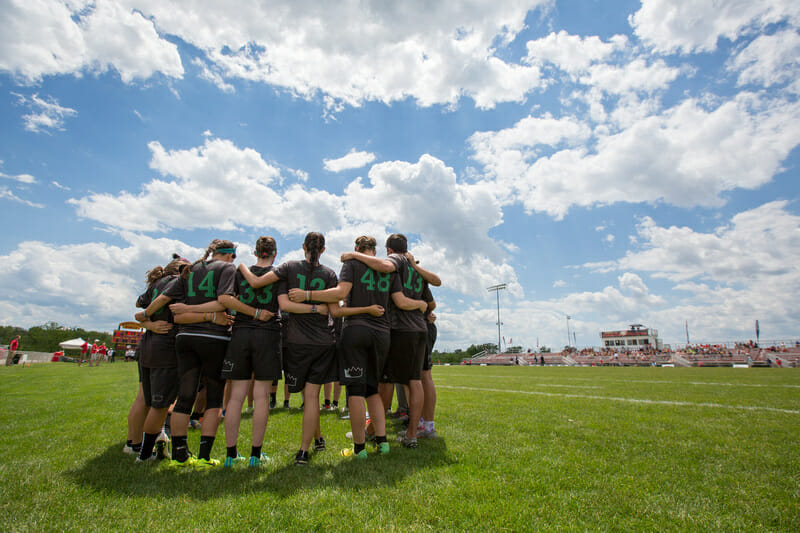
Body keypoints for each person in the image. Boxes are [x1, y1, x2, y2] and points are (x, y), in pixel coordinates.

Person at [290, 235, 429, 458]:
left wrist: (307, 295)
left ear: (356, 248)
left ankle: (359, 448)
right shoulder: (389, 270)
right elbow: (400, 300)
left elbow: (341, 293)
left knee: (355, 391)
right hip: (383, 334)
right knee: (373, 389)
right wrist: (423, 305)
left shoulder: (352, 263)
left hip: (356, 331)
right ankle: (383, 444)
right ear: (376, 251)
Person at [238, 232, 338, 466]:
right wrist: (315, 308)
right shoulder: (330, 274)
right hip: (322, 340)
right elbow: (331, 308)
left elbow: (282, 304)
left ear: (303, 246)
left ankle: (306, 449)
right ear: (323, 250)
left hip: (294, 340)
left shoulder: (289, 268)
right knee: (311, 396)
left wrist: (242, 265)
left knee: (308, 395)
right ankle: (314, 442)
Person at [138, 239, 237, 469]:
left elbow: (169, 304)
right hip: (215, 337)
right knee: (213, 398)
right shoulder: (227, 268)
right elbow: (223, 302)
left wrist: (145, 315)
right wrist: (212, 314)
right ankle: (203, 456)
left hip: (185, 337)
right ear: (230, 255)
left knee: (184, 397)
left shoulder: (190, 269)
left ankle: (180, 455)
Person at [339, 233, 440, 448]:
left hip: (398, 328)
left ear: (388, 250)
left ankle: (373, 430)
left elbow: (391, 281)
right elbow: (432, 296)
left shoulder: (395, 261)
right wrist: (422, 308)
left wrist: (353, 255)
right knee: (419, 379)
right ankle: (419, 429)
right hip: (421, 329)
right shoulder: (415, 267)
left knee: (385, 383)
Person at [213, 236, 282, 468]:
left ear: (255, 252)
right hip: (267, 334)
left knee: (235, 397)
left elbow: (227, 299)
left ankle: (230, 455)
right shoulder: (279, 272)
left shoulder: (239, 272)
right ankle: (255, 454)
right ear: (274, 253)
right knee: (261, 397)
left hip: (241, 333)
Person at [132, 257, 189, 463]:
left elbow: (139, 304)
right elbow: (168, 307)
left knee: (150, 402)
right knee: (160, 405)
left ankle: (142, 444)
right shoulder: (178, 283)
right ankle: (145, 455)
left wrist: (149, 323)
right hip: (165, 348)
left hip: (147, 346)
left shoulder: (156, 283)